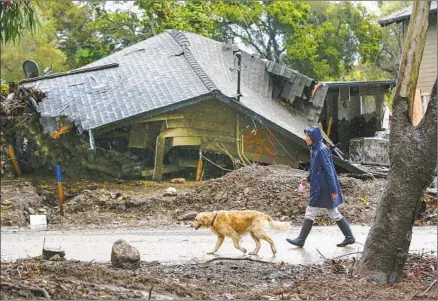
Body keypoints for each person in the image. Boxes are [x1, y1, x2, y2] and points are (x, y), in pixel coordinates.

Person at [286, 126, 355, 248]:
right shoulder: (315, 149)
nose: (306, 138)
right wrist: (307, 179)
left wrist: (334, 190)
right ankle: (349, 237)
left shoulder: (321, 150)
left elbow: (330, 171)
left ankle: (301, 240)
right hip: (320, 187)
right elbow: (315, 169)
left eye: (308, 136)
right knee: (333, 213)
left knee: (313, 211)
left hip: (324, 188)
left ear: (313, 137)